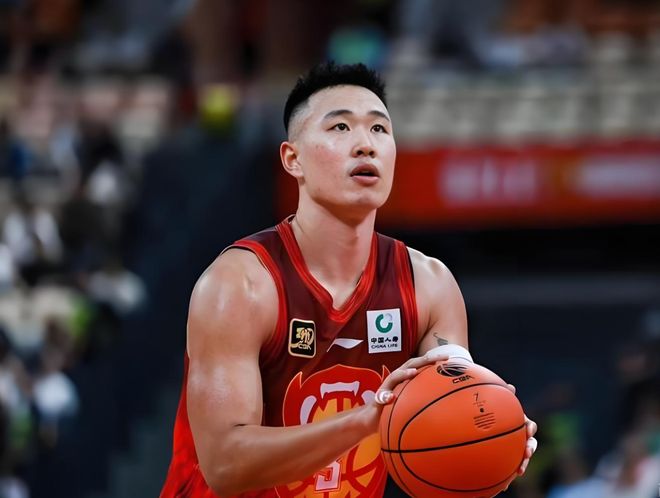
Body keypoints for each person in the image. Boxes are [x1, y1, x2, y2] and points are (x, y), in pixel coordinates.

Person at [160, 62, 538, 497]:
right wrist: (366, 418)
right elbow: (226, 464)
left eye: (379, 129)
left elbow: (452, 414)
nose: (365, 145)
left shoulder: (429, 285)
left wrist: (494, 438)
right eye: (340, 127)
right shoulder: (240, 284)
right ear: (293, 159)